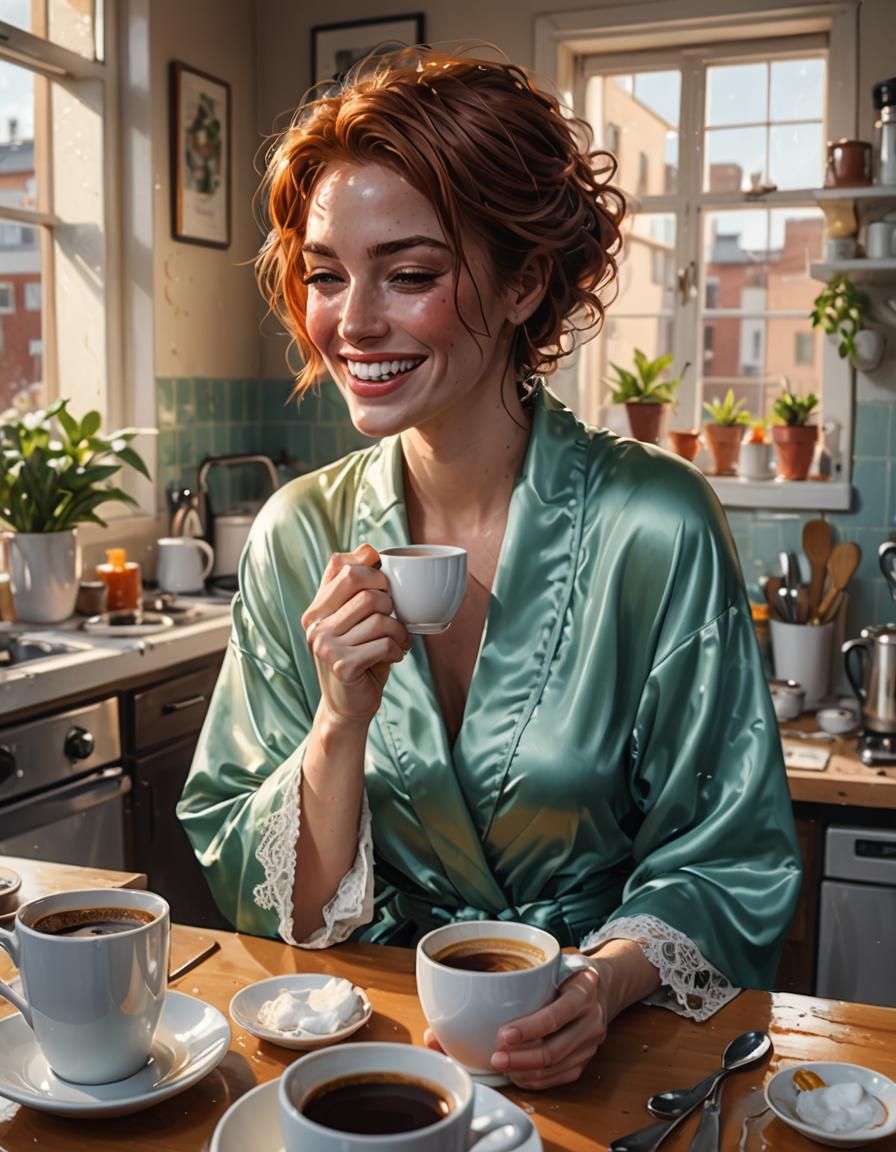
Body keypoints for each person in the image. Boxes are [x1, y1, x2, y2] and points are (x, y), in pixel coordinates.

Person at [178, 48, 801, 1090]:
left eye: (410, 274)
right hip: (372, 1054)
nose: (352, 322)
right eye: (326, 274)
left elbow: (725, 852)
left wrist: (598, 984)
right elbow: (273, 901)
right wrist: (339, 722)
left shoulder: (654, 524)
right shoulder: (296, 533)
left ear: (524, 282)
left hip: (603, 1053)